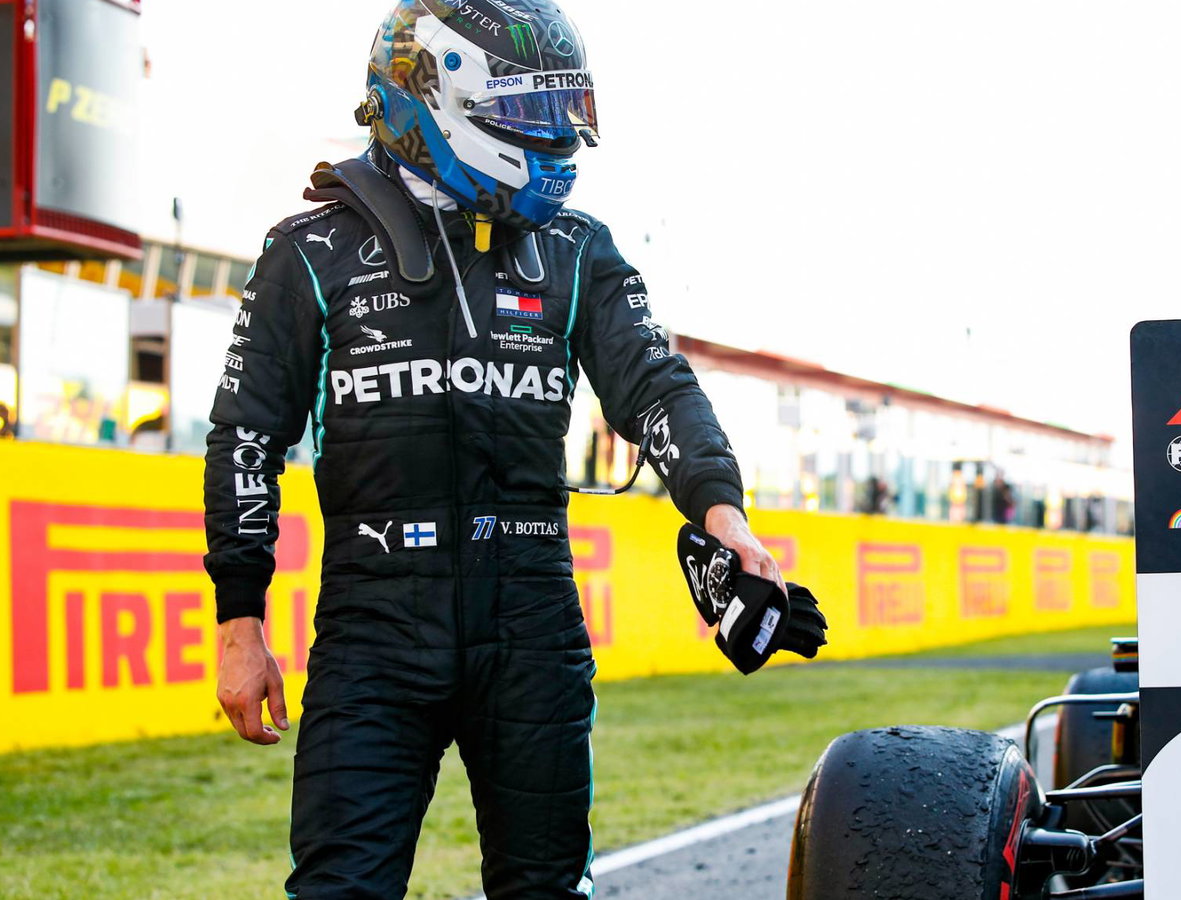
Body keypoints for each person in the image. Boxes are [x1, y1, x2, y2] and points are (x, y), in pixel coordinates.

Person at [202, 2, 803, 896]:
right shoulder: (309, 250)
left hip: (532, 626)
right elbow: (246, 437)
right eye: (526, 111)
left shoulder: (577, 250)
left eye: (560, 110)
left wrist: (725, 517)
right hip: (372, 633)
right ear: (429, 93)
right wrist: (239, 622)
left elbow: (656, 386)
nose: (553, 134)